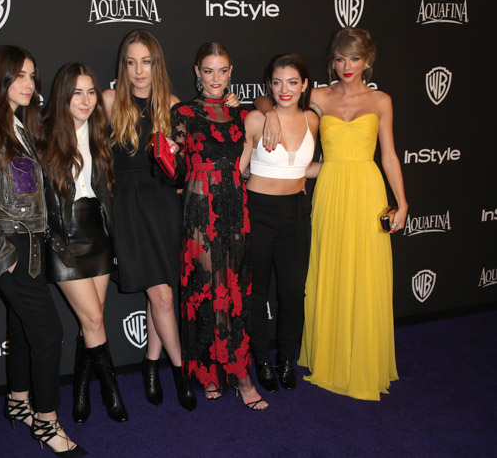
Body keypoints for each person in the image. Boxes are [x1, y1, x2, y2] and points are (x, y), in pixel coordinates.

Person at [263, 27, 407, 400]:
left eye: (355, 58)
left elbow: (388, 154)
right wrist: (271, 117)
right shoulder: (320, 97)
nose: (347, 66)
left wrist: (402, 202)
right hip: (328, 190)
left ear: (368, 62)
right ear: (332, 60)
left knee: (364, 273)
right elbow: (277, 102)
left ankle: (361, 358)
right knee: (327, 269)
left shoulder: (382, 102)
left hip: (367, 192)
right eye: (340, 58)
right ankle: (327, 354)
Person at [0, 46, 86, 456]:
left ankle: (18, 400)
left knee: (20, 327)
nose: (29, 84)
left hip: (32, 244)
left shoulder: (17, 124)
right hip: (10, 245)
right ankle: (47, 423)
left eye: (32, 76)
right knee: (49, 333)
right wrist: (3, 256)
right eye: (19, 76)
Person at [102, 29, 196, 411]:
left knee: (160, 292)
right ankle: (181, 374)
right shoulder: (108, 101)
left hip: (163, 206)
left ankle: (150, 364)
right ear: (123, 66)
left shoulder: (171, 104)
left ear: (157, 64)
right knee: (162, 294)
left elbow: (182, 172)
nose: (139, 71)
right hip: (127, 206)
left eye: (147, 61)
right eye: (131, 62)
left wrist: (177, 156)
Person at [170, 41, 268, 410]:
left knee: (236, 289)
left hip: (236, 209)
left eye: (222, 71)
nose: (215, 78)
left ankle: (239, 371)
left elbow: (267, 107)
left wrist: (260, 109)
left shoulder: (239, 113)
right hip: (200, 212)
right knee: (209, 289)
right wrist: (167, 157)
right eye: (208, 71)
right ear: (197, 72)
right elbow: (174, 170)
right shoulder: (183, 113)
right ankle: (212, 372)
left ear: (231, 72)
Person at [43, 63, 127, 424]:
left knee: (89, 322)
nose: (86, 100)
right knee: (93, 318)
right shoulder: (42, 134)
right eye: (77, 92)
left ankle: (79, 394)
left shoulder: (99, 131)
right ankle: (113, 394)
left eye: (91, 92)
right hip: (64, 239)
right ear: (62, 95)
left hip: (98, 233)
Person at [244, 54, 319, 393]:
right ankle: (261, 361)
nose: (284, 89)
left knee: (292, 292)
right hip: (258, 211)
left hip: (295, 212)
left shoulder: (313, 120)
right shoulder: (256, 119)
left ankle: (286, 359)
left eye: (292, 82)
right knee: (257, 293)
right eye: (276, 82)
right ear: (268, 86)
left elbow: (310, 167)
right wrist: (268, 110)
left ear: (304, 85)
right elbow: (240, 168)